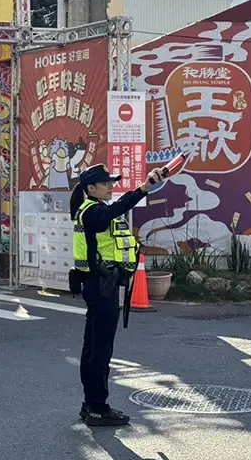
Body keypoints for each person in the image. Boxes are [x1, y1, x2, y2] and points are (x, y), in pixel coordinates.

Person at [69, 163, 165, 427]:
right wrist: (145, 188)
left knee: (92, 348)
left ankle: (91, 404)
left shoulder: (90, 209)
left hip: (98, 285)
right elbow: (117, 208)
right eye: (106, 182)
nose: (111, 185)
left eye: (112, 181)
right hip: (101, 286)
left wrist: (144, 187)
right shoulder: (93, 213)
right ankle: (98, 408)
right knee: (99, 350)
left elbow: (116, 206)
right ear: (91, 188)